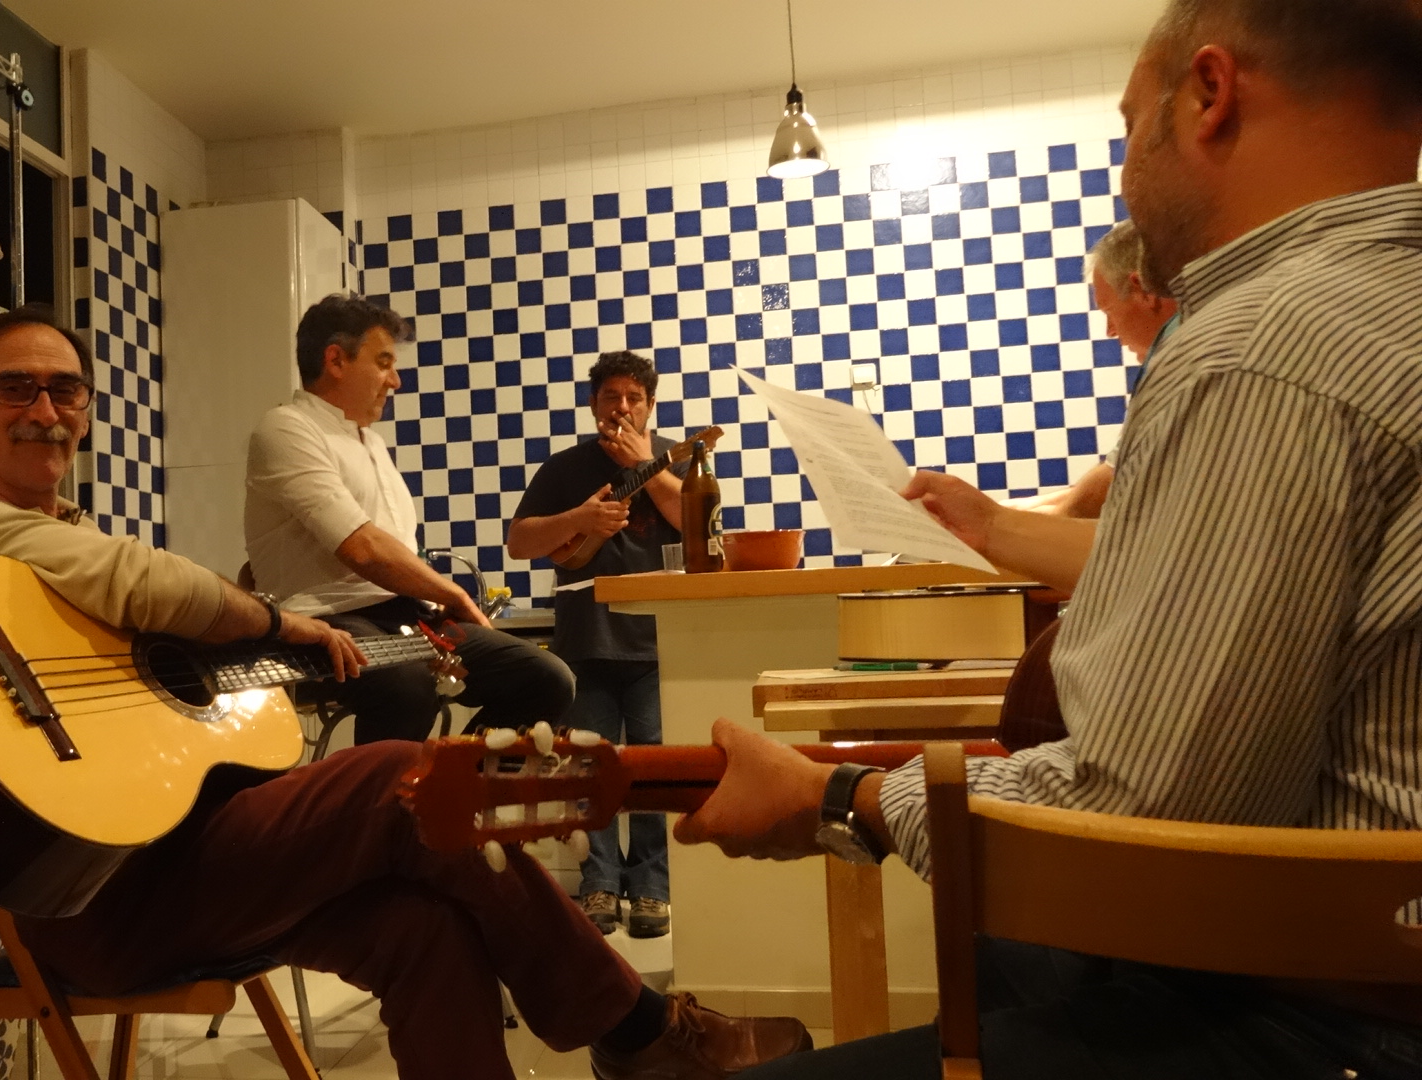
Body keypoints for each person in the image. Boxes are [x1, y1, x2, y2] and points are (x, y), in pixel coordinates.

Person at [682, 1, 1422, 1076]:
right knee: (1007, 945)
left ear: (1209, 95)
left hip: (1332, 1016)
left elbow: (1147, 819)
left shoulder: (1260, 346)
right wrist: (988, 527)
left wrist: (836, 798)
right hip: (1350, 960)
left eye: (1129, 126)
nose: (1124, 173)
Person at [0, 304, 813, 1080]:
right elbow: (143, 578)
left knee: (423, 926)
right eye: (16, 388)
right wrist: (277, 621)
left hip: (175, 853)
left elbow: (139, 652)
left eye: (67, 390)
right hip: (99, 895)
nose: (46, 410)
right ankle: (640, 1030)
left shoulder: (60, 548)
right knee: (407, 780)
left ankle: (622, 1023)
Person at [244, 293, 574, 744]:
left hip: (408, 616)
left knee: (546, 678)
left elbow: (389, 547)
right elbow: (362, 548)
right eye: (383, 363)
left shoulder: (372, 443)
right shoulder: (286, 428)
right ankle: (385, 792)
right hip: (328, 619)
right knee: (407, 688)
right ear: (336, 360)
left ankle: (453, 777)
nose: (395, 381)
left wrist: (434, 599)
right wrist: (453, 593)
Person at [508, 351, 683, 938]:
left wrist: (645, 466)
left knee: (655, 765)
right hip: (585, 639)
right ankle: (600, 882)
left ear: (650, 405)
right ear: (593, 405)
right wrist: (579, 519)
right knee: (589, 765)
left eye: (634, 398)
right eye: (612, 397)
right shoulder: (564, 468)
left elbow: (699, 522)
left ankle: (653, 885)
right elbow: (520, 542)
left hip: (661, 638)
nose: (623, 407)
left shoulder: (678, 460)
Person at [1008, 220, 1179, 518]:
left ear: (1143, 291)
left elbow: (1103, 493)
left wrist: (992, 522)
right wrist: (1007, 511)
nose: (1110, 331)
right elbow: (1111, 478)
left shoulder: (1178, 365)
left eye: (1109, 311)